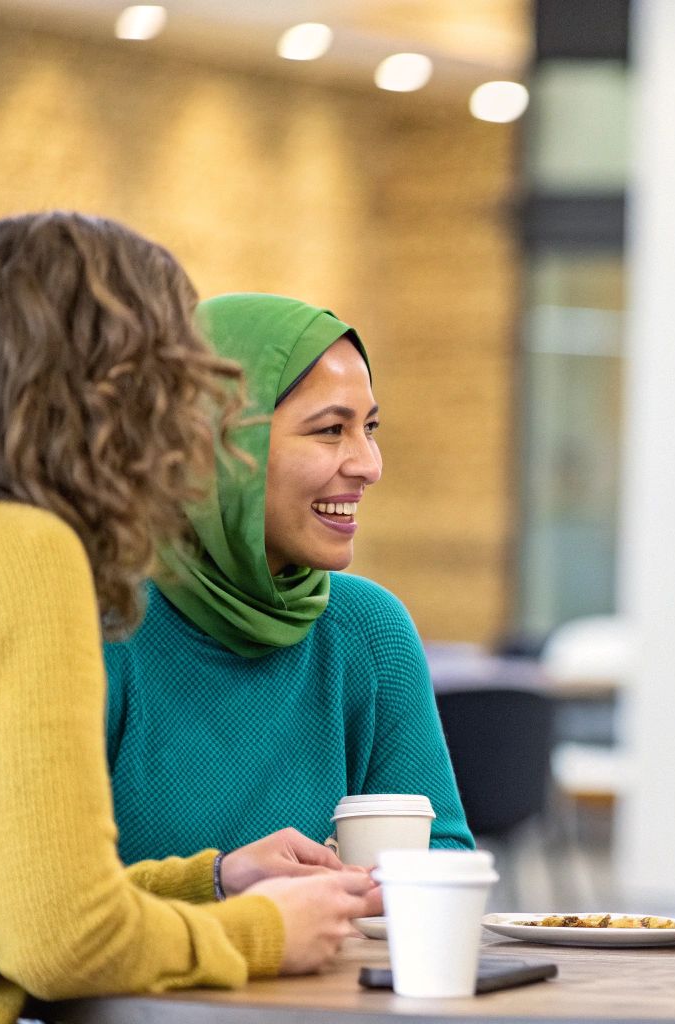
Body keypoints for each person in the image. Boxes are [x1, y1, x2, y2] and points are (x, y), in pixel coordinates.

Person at [0, 213, 374, 1024]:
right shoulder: (22, 554)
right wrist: (260, 931)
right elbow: (60, 942)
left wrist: (210, 880)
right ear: (117, 391)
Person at [104, 293, 474, 863]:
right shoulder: (103, 623)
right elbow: (51, 906)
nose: (368, 465)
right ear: (217, 443)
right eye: (330, 430)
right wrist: (237, 896)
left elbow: (441, 854)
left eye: (370, 428)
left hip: (338, 956)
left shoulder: (368, 629)